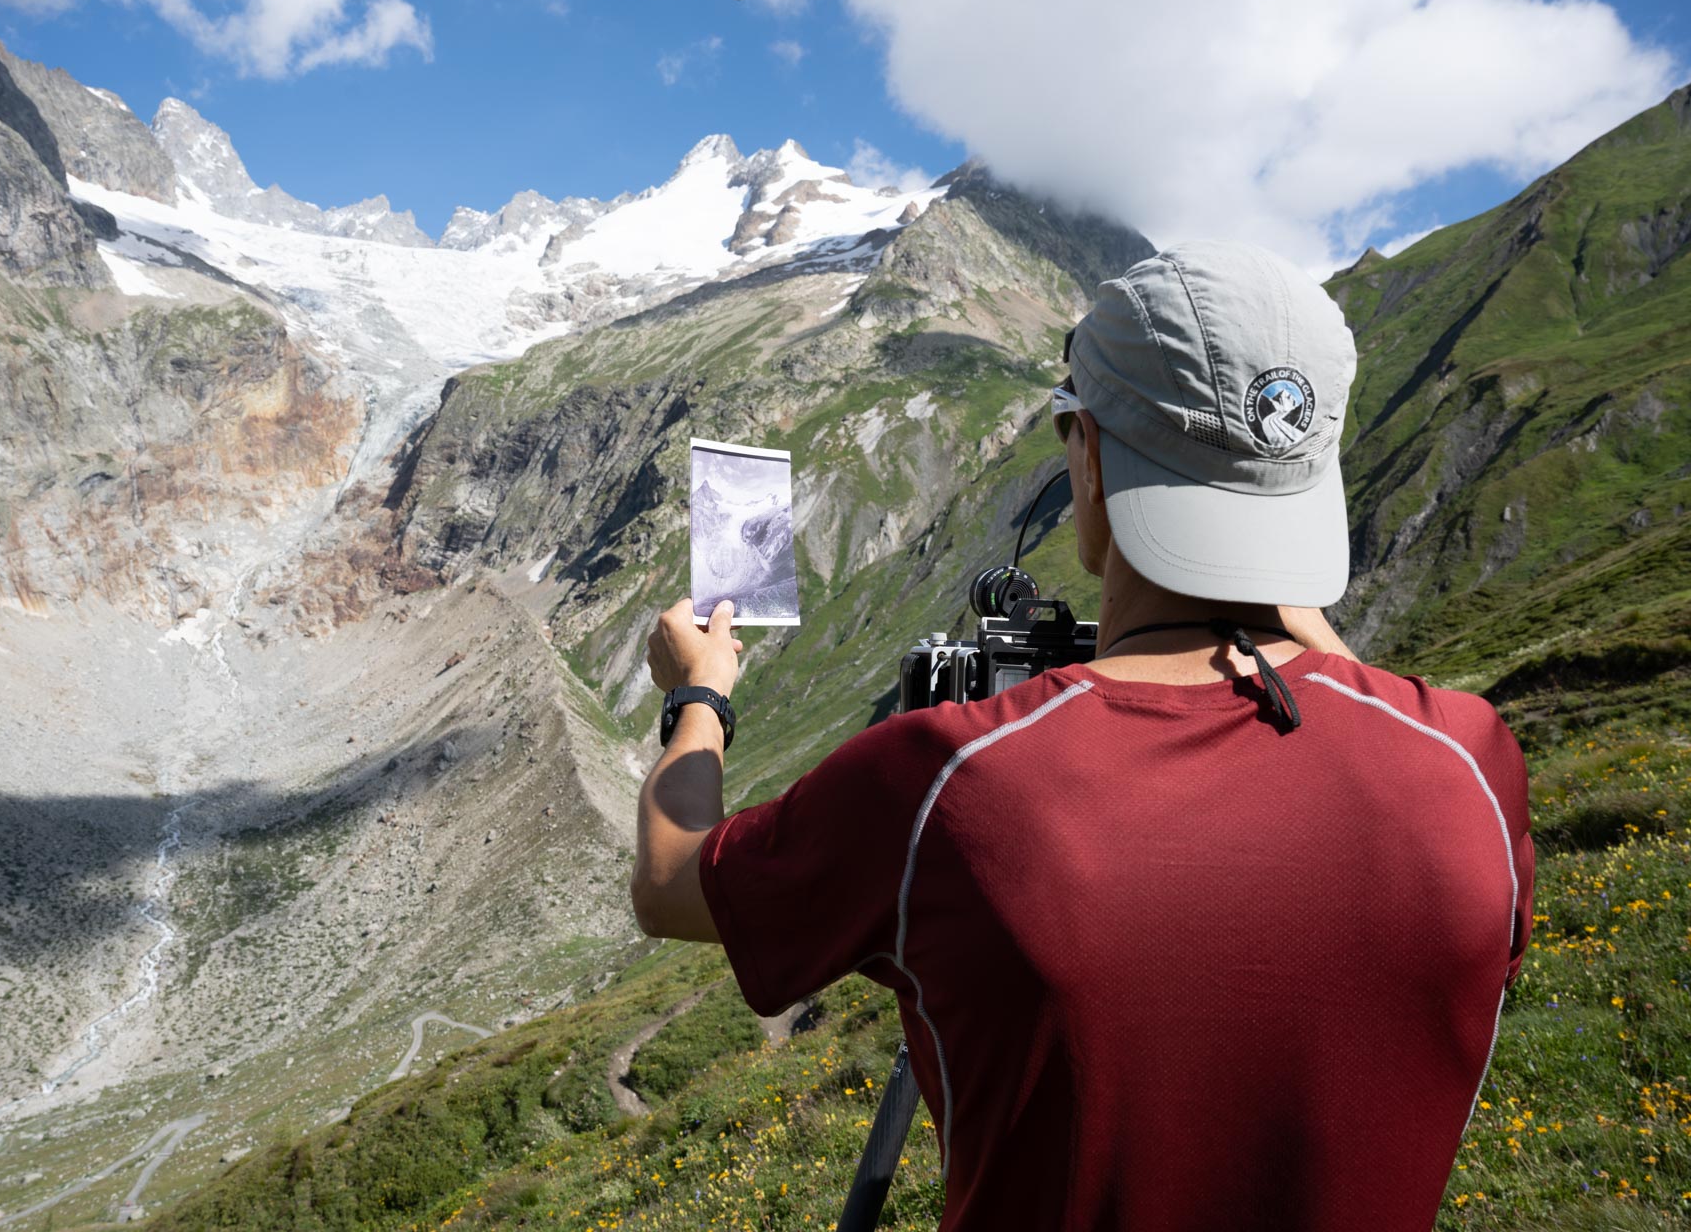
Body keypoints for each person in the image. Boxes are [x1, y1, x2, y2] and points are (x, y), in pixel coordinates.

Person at [633, 240, 1534, 1231]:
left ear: (1088, 453)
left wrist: (702, 694)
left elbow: (673, 879)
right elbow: (1356, 705)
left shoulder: (952, 778)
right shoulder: (1469, 762)